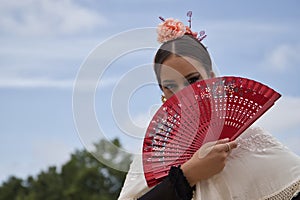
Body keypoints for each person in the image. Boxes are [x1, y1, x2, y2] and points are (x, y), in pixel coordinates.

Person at [118, 14, 300, 200]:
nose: (184, 95)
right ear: (163, 93)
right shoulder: (155, 155)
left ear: (212, 78)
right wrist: (187, 175)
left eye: (193, 80)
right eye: (171, 86)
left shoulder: (251, 139)